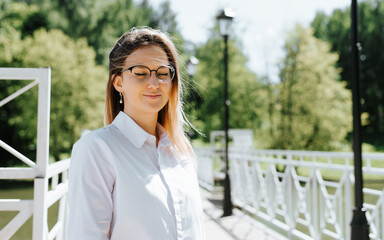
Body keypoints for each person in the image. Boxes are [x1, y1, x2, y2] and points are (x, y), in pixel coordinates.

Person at [67, 27, 205, 240]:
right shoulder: (96, 149)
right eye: (140, 73)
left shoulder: (182, 152)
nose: (154, 83)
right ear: (118, 82)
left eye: (163, 73)